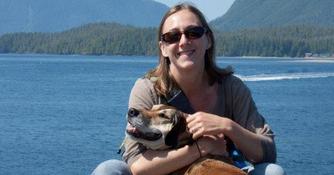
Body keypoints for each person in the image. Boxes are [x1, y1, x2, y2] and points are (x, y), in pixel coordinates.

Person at [91, 3, 285, 175]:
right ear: (163, 48)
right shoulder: (147, 89)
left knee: (272, 172)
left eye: (193, 33)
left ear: (208, 39)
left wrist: (228, 127)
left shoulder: (232, 88)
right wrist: (201, 148)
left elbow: (268, 153)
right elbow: (136, 165)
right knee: (108, 170)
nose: (183, 41)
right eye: (172, 36)